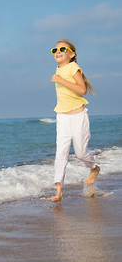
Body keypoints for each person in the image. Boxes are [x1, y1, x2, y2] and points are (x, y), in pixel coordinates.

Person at [50, 39, 100, 204]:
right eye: (55, 50)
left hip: (78, 116)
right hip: (62, 116)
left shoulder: (73, 67)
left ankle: (94, 168)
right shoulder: (58, 68)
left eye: (62, 49)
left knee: (80, 153)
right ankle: (58, 190)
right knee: (61, 153)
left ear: (71, 55)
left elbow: (82, 90)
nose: (58, 52)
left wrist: (61, 80)